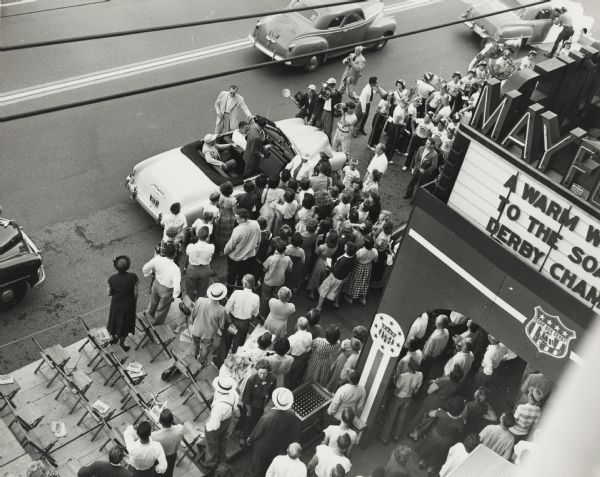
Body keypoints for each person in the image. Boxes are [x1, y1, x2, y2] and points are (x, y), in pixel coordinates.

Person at [247, 387, 301, 477]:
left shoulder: (267, 418)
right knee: (269, 463)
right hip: (277, 445)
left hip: (262, 446)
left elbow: (257, 432)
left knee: (258, 465)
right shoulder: (292, 414)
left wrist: (250, 440)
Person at [416, 396, 465, 475]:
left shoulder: (441, 413)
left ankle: (423, 462)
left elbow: (430, 414)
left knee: (429, 448)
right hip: (447, 440)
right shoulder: (460, 422)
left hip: (435, 435)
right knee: (439, 454)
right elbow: (460, 430)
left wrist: (438, 410)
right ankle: (431, 468)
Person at [381, 358, 423, 443]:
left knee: (391, 417)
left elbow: (396, 391)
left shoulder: (403, 376)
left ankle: (384, 438)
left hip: (398, 398)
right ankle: (396, 436)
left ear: (408, 366)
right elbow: (416, 390)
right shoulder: (420, 375)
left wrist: (389, 392)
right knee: (401, 418)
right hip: (408, 398)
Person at [203, 376, 240, 470]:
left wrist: (207, 426)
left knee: (212, 444)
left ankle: (211, 463)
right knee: (223, 439)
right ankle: (222, 456)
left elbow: (214, 426)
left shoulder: (219, 406)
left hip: (218, 424)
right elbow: (235, 407)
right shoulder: (234, 393)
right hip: (228, 420)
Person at [142, 246, 181, 326]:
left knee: (153, 303)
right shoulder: (176, 269)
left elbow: (145, 268)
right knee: (162, 310)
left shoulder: (157, 259)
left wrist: (149, 273)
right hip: (167, 291)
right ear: (175, 254)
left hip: (156, 284)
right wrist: (174, 296)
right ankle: (157, 325)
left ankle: (149, 319)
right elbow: (177, 288)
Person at [106, 255, 138, 352]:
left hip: (116, 304)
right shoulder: (132, 277)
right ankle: (122, 344)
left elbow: (108, 293)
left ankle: (114, 338)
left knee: (114, 321)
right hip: (128, 305)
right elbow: (136, 293)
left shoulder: (112, 278)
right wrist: (134, 303)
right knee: (125, 325)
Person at [222, 208, 260, 290]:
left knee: (231, 275)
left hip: (235, 258)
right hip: (249, 257)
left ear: (243, 219)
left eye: (237, 218)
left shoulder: (237, 230)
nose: (235, 219)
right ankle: (240, 288)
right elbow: (258, 240)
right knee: (242, 275)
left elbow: (230, 245)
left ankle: (229, 290)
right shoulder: (256, 224)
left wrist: (225, 252)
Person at [190, 282, 227, 364]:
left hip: (197, 329)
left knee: (194, 343)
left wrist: (192, 322)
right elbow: (221, 325)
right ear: (221, 297)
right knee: (206, 348)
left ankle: (192, 360)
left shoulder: (200, 300)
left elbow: (194, 313)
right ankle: (201, 362)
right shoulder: (221, 310)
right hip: (209, 334)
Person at [240, 359, 277, 442]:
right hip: (250, 404)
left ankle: (251, 436)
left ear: (269, 372)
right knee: (247, 420)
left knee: (256, 421)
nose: (262, 375)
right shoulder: (251, 380)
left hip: (262, 404)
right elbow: (246, 397)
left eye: (264, 373)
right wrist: (249, 410)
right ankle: (243, 436)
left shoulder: (273, 378)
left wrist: (267, 406)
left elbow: (272, 393)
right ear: (257, 371)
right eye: (260, 373)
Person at [223, 274, 260, 354]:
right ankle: (233, 361)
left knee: (226, 343)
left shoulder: (236, 293)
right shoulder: (256, 297)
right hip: (244, 324)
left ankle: (221, 360)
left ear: (245, 283)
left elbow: (226, 309)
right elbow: (256, 314)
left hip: (232, 321)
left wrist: (230, 322)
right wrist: (250, 319)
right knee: (238, 346)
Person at [317, 242, 357, 311]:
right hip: (342, 278)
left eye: (346, 246)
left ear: (348, 250)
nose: (345, 245)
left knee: (324, 289)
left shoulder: (344, 261)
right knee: (337, 289)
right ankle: (336, 303)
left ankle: (318, 307)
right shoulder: (353, 257)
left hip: (334, 277)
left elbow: (336, 270)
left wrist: (328, 267)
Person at [342, 237, 378, 306]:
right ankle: (363, 299)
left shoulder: (360, 251)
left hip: (359, 266)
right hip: (368, 266)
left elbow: (355, 260)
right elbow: (376, 261)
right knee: (364, 282)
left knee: (355, 282)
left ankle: (351, 298)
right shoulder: (375, 251)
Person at [261, 239, 293, 314]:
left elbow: (264, 269)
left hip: (268, 281)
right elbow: (290, 270)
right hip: (279, 282)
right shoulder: (288, 259)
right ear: (285, 249)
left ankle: (263, 314)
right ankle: (272, 311)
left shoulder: (271, 258)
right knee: (276, 298)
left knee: (265, 298)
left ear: (276, 249)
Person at [184, 226, 214, 302]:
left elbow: (187, 254)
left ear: (198, 235)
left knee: (190, 289)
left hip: (192, 270)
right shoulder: (211, 247)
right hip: (205, 269)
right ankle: (198, 303)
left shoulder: (190, 247)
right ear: (207, 237)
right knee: (202, 290)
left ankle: (189, 304)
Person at [150, 409, 184, 477]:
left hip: (160, 458)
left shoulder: (154, 435)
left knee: (158, 473)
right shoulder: (180, 428)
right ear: (172, 420)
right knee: (169, 472)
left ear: (160, 421)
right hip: (172, 456)